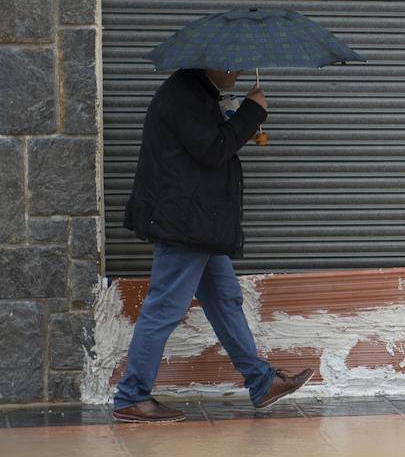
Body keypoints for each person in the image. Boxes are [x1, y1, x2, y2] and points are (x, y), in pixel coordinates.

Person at [113, 68, 314, 423]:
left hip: (199, 223)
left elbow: (209, 145)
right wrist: (252, 112)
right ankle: (132, 395)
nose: (236, 72)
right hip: (185, 223)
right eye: (231, 66)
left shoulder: (198, 93)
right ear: (212, 63)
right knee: (164, 308)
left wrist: (240, 118)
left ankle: (261, 382)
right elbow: (212, 149)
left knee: (225, 301)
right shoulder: (183, 94)